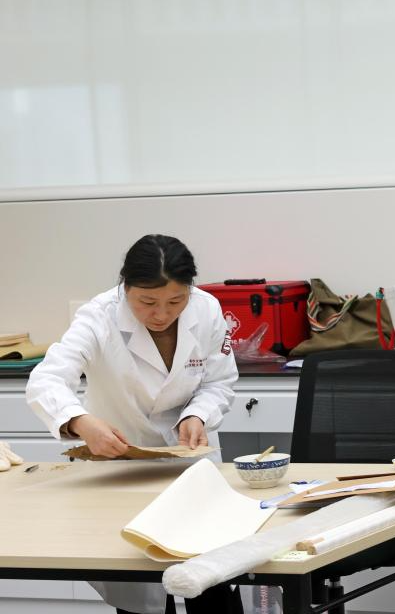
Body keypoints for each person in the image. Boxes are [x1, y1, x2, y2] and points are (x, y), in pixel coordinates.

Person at [26, 234, 240, 614]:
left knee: (213, 587)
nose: (162, 314)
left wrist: (198, 414)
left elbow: (219, 382)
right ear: (125, 288)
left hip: (190, 462)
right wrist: (80, 421)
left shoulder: (206, 309)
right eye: (147, 302)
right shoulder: (98, 316)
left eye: (175, 301)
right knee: (141, 593)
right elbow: (46, 381)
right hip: (121, 465)